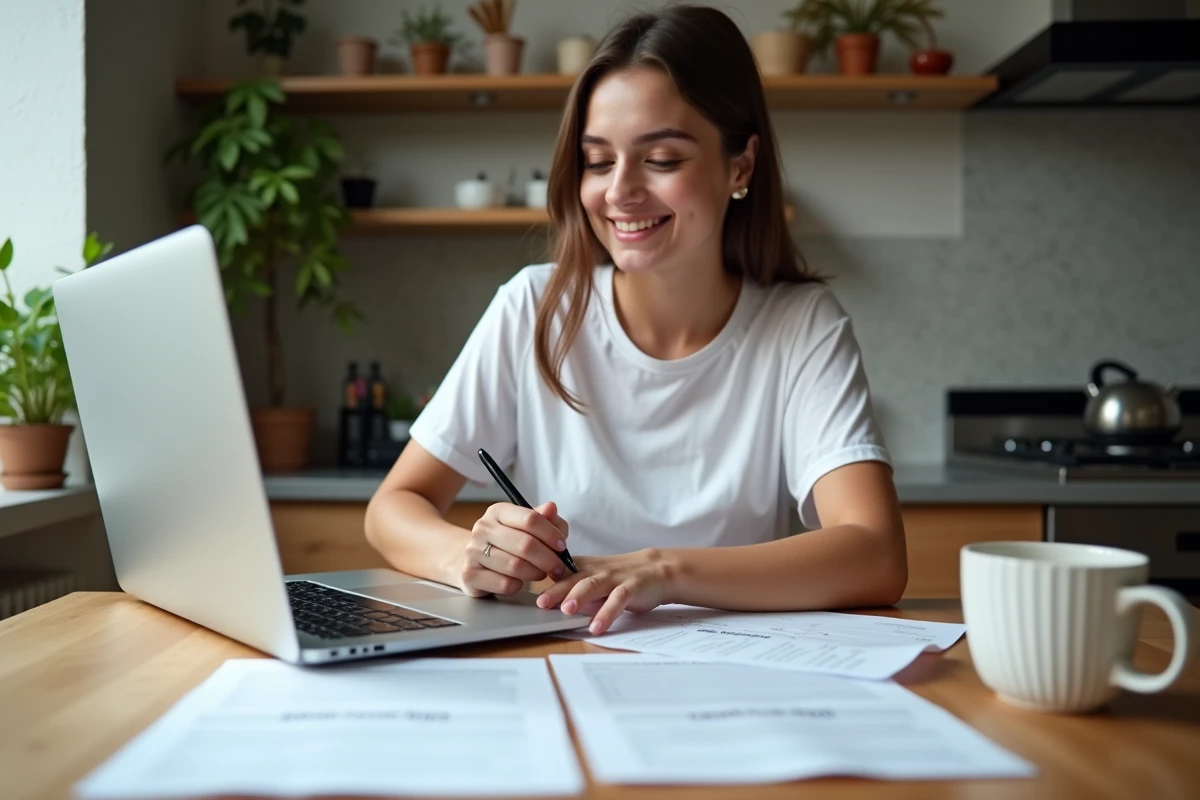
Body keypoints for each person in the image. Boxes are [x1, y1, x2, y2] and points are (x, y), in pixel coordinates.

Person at [365, 4, 907, 636]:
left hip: (735, 670)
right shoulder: (534, 307)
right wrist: (467, 556)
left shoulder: (800, 324)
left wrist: (663, 572)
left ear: (741, 166)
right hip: (557, 656)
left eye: (663, 159)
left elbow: (875, 552)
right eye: (598, 161)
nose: (619, 191)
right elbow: (392, 509)